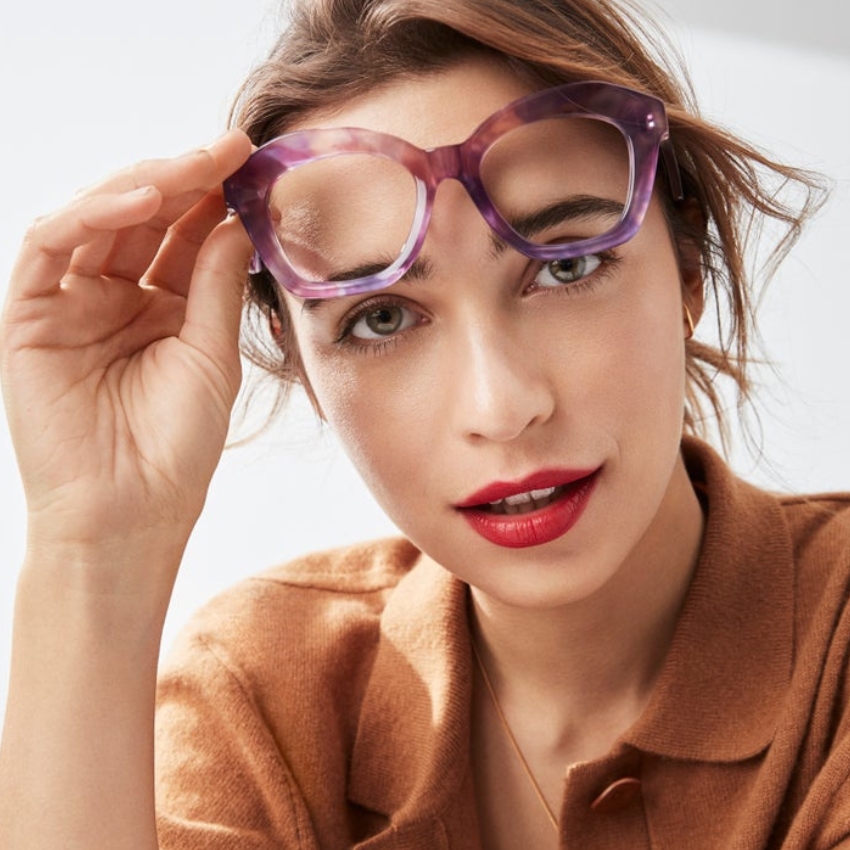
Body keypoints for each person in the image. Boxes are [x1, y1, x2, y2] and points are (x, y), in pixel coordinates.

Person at [0, 0, 848, 848]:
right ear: (303, 369)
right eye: (381, 319)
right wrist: (94, 548)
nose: (501, 407)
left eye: (568, 265)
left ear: (689, 270)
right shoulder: (264, 699)